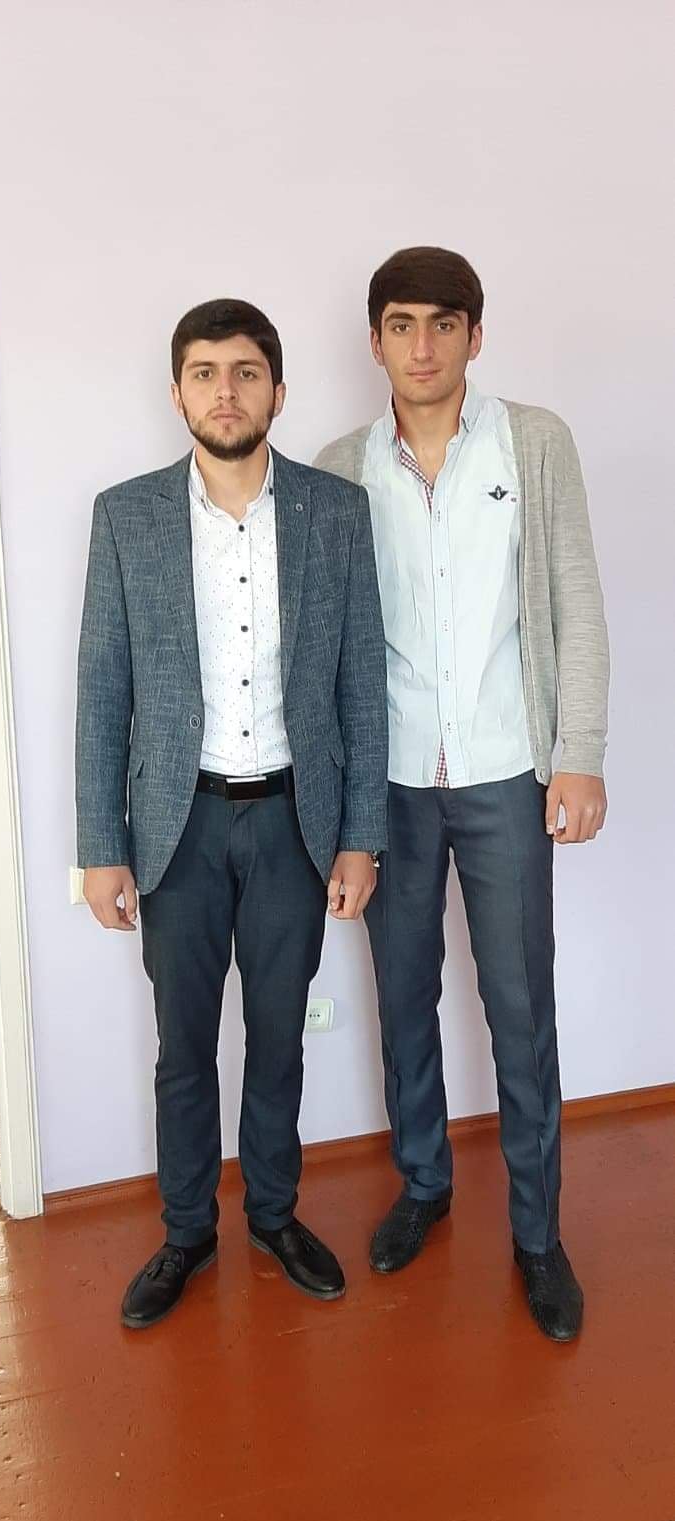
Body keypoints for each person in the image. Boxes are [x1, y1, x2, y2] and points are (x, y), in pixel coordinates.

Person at [315, 248, 609, 1341]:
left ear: (475, 336)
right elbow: (327, 644)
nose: (423, 345)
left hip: (503, 770)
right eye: (402, 325)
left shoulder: (532, 442)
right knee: (403, 996)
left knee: (520, 1009)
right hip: (387, 781)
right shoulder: (340, 468)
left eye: (444, 324)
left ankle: (538, 1236)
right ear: (376, 341)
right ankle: (425, 1184)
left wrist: (580, 750)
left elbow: (576, 598)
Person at [76, 299, 388, 1328]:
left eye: (246, 372)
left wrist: (360, 835)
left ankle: (275, 1215)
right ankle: (185, 1232)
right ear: (177, 394)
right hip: (179, 829)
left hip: (296, 822)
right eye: (205, 372)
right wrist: (100, 847)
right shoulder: (126, 517)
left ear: (277, 392)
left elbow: (360, 685)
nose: (225, 390)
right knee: (182, 1047)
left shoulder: (335, 513)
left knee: (278, 1037)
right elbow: (103, 690)